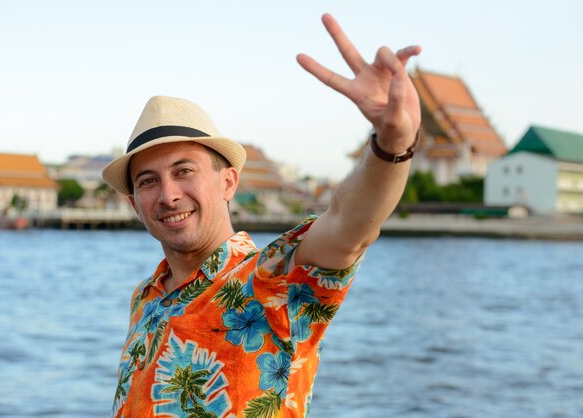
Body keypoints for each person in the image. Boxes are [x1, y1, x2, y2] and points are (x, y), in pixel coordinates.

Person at [102, 13, 421, 418]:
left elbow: (348, 226)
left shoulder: (273, 282)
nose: (168, 195)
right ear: (134, 204)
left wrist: (393, 143)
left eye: (184, 172)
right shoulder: (146, 296)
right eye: (148, 181)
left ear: (228, 183)